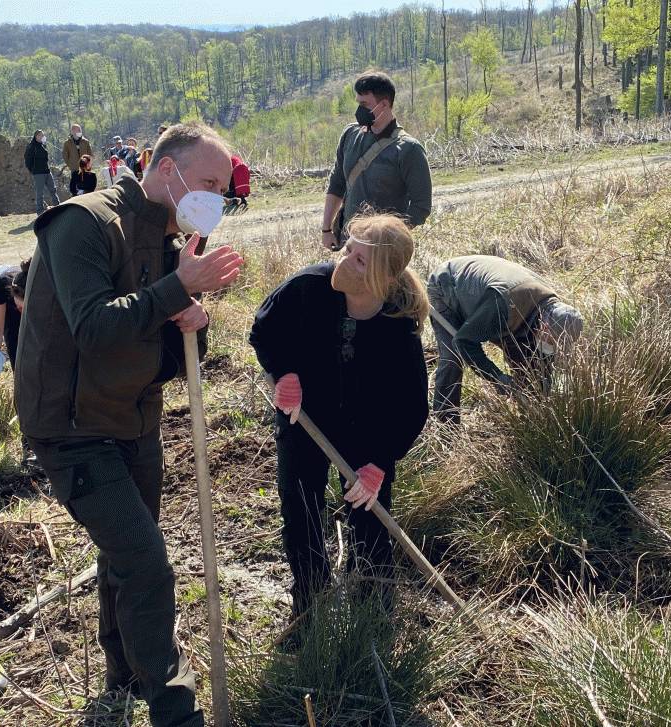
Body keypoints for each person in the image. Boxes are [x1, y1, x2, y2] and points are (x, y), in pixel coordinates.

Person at [15, 122, 244, 727]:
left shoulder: (169, 242)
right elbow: (92, 326)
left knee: (125, 555)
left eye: (222, 189)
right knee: (145, 562)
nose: (215, 199)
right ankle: (175, 711)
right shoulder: (82, 223)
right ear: (166, 170)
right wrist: (175, 291)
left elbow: (159, 340)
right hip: (69, 425)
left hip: (133, 418)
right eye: (208, 183)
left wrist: (189, 314)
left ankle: (122, 676)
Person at [249, 214, 429, 618]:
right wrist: (284, 373)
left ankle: (372, 604)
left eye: (360, 261)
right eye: (348, 249)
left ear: (381, 277)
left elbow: (412, 406)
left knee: (370, 520)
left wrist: (380, 462)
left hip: (367, 433)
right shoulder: (308, 287)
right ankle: (309, 605)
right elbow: (265, 329)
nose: (345, 261)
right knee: (301, 510)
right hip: (304, 422)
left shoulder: (398, 328)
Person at [428, 255, 584, 425]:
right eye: (553, 340)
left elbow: (541, 360)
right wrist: (498, 378)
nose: (553, 345)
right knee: (453, 356)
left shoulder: (551, 308)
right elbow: (465, 341)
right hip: (448, 287)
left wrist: (540, 397)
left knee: (528, 355)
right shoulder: (503, 305)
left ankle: (530, 421)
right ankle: (446, 426)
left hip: (493, 301)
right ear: (544, 327)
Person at [322, 71, 432, 250]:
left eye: (364, 104)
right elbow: (337, 184)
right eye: (358, 103)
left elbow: (421, 206)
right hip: (348, 243)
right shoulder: (350, 135)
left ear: (384, 105)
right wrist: (326, 230)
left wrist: (390, 238)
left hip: (383, 250)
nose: (359, 110)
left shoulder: (409, 149)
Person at [0, 260, 29, 382]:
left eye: (24, 308)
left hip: (42, 336)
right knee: (21, 380)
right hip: (14, 335)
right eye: (19, 307)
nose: (19, 310)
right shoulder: (1, 286)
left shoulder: (46, 290)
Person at [24, 130, 60, 214]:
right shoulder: (31, 146)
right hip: (38, 173)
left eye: (43, 135)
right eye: (40, 135)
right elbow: (27, 160)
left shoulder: (43, 145)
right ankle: (40, 211)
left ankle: (58, 206)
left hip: (47, 171)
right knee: (39, 193)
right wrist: (32, 170)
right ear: (36, 136)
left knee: (53, 190)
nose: (42, 137)